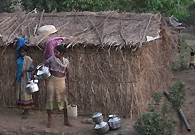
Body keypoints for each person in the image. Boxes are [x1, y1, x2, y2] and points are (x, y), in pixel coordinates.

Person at [35, 45, 71, 128]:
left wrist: (69, 86)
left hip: (61, 82)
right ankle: (49, 121)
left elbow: (68, 74)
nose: (54, 53)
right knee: (50, 99)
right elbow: (42, 64)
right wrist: (36, 71)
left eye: (56, 52)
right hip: (52, 80)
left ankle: (66, 120)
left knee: (64, 101)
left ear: (61, 53)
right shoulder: (51, 59)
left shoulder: (66, 62)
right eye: (54, 52)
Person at [15, 45, 34, 119]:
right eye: (20, 52)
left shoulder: (28, 59)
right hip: (19, 78)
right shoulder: (19, 59)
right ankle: (24, 109)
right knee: (20, 94)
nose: (21, 53)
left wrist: (25, 71)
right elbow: (18, 69)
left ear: (26, 52)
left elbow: (32, 68)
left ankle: (27, 111)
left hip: (25, 79)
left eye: (23, 52)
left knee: (26, 95)